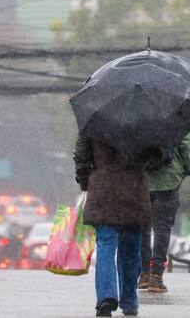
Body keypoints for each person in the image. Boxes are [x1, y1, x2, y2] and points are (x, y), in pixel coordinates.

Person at [74, 135, 153, 317]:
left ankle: (106, 298)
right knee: (131, 250)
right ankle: (129, 300)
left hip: (103, 193)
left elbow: (81, 156)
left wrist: (85, 181)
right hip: (133, 193)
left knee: (106, 245)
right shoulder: (143, 124)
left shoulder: (93, 124)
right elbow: (156, 158)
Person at [138, 131, 190, 293]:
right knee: (162, 228)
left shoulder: (141, 117)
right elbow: (187, 147)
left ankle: (144, 273)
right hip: (169, 179)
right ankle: (156, 275)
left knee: (143, 228)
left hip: (143, 179)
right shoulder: (182, 118)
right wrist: (186, 168)